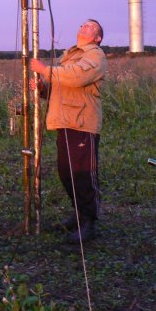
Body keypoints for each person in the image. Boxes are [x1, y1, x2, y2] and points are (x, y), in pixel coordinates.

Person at [30, 19, 107, 243]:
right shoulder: (69, 55)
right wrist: (43, 88)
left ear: (98, 38)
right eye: (83, 24)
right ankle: (78, 214)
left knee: (83, 174)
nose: (85, 27)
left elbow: (77, 76)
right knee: (67, 173)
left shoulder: (95, 55)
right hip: (64, 120)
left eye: (91, 27)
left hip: (82, 122)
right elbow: (60, 85)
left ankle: (89, 222)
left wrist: (45, 70)